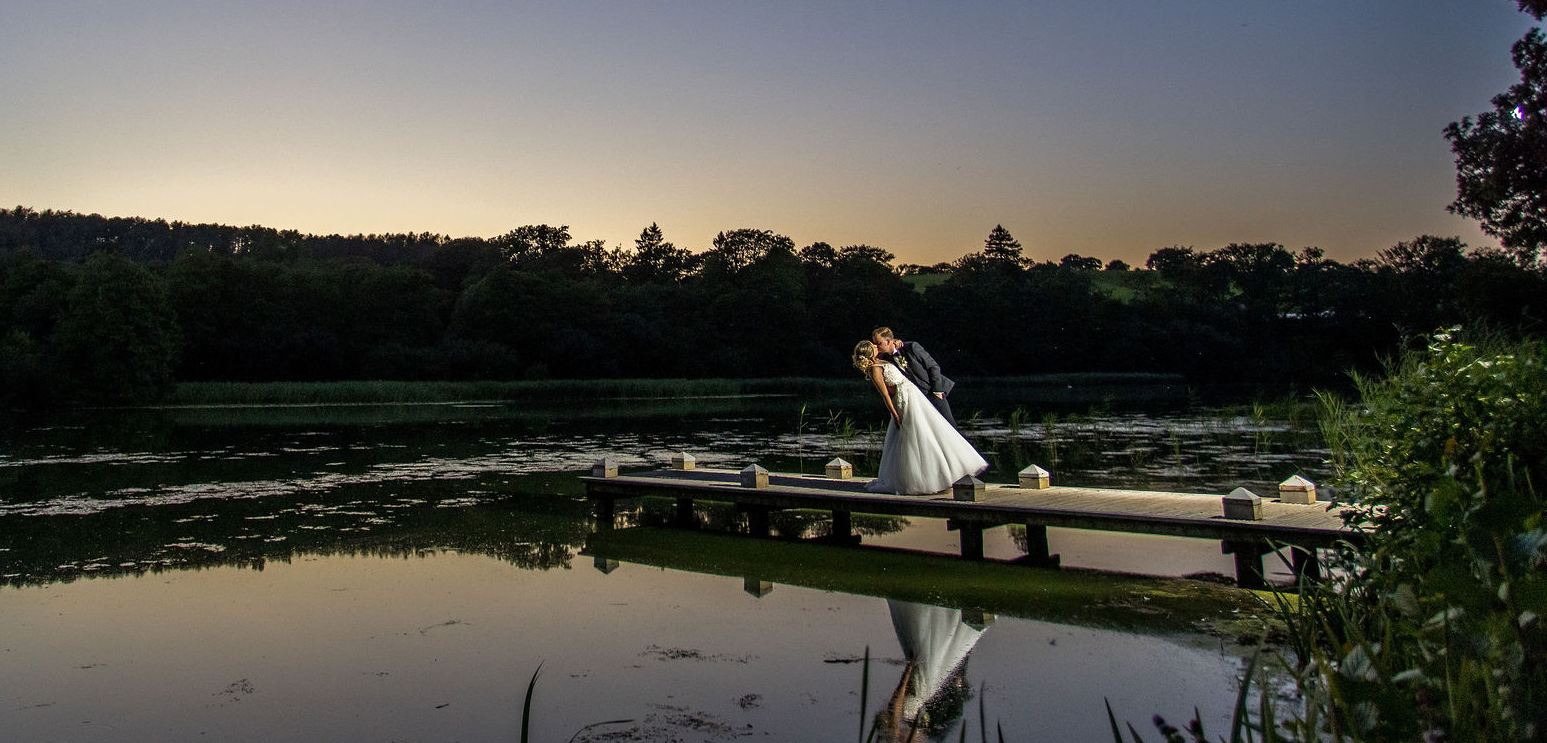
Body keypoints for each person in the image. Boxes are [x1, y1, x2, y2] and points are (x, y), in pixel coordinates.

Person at [852, 340, 988, 495]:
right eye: (873, 346)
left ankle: (946, 473)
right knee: (916, 437)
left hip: (915, 397)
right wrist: (895, 414)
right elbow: (885, 395)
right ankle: (920, 479)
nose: (877, 347)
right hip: (904, 401)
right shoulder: (874, 369)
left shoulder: (881, 361)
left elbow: (894, 349)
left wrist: (898, 343)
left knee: (932, 431)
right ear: (870, 352)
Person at [871, 327, 957, 428]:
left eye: (879, 343)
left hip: (933, 391)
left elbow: (933, 366)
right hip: (915, 399)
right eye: (874, 343)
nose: (876, 346)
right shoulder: (885, 359)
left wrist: (937, 390)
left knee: (951, 427)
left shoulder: (911, 347)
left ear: (888, 341)